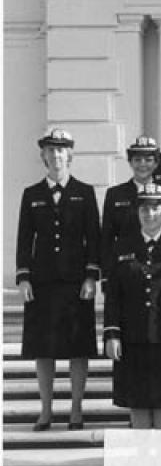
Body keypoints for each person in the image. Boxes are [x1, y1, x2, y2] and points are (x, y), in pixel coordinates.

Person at [17, 128, 101, 431]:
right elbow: (25, 239)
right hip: (42, 283)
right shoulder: (32, 194)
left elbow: (94, 238)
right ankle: (46, 410)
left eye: (61, 150)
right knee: (44, 348)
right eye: (51, 150)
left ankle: (76, 409)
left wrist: (92, 276)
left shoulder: (84, 192)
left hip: (76, 284)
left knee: (78, 347)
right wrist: (24, 277)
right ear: (43, 156)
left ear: (70, 155)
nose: (56, 155)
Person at [104, 184, 161, 429]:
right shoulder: (122, 246)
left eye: (155, 208)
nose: (149, 214)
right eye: (144, 208)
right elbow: (113, 294)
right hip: (133, 338)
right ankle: (140, 461)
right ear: (137, 212)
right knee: (137, 401)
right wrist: (112, 334)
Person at [102, 136, 161, 286]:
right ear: (130, 162)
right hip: (127, 268)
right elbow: (107, 238)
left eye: (148, 160)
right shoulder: (115, 194)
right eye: (137, 160)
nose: (143, 165)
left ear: (156, 163)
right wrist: (106, 276)